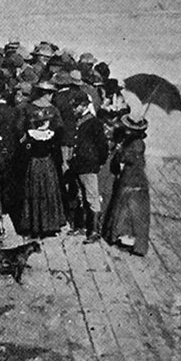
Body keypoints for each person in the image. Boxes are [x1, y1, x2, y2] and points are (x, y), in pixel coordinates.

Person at [102, 115, 152, 255]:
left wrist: (120, 151)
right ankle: (124, 238)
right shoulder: (136, 142)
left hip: (132, 179)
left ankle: (124, 238)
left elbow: (126, 158)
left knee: (128, 210)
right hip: (132, 178)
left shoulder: (136, 144)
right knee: (129, 210)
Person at [68, 93, 110, 243]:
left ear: (84, 106)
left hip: (88, 165)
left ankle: (94, 231)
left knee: (92, 197)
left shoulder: (94, 123)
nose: (73, 109)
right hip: (79, 164)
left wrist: (98, 162)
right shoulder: (80, 120)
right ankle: (81, 225)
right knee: (80, 196)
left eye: (76, 106)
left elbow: (102, 146)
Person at [17, 108, 65, 238]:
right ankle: (48, 225)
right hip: (47, 165)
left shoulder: (30, 135)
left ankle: (35, 224)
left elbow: (23, 149)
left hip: (34, 165)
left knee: (35, 193)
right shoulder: (50, 135)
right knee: (48, 192)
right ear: (45, 122)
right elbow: (57, 154)